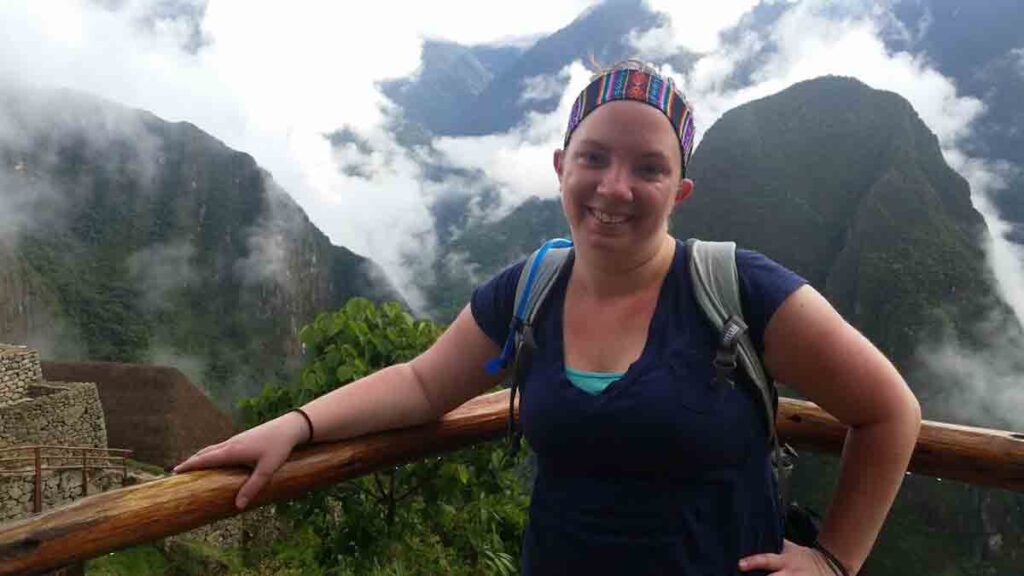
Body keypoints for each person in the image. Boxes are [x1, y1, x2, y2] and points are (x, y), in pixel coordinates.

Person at [174, 60, 921, 575]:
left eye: (649, 168)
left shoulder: (742, 292)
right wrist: (295, 425)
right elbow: (421, 383)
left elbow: (889, 412)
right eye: (594, 158)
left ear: (681, 191)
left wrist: (832, 558)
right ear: (561, 165)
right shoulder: (532, 288)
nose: (614, 187)